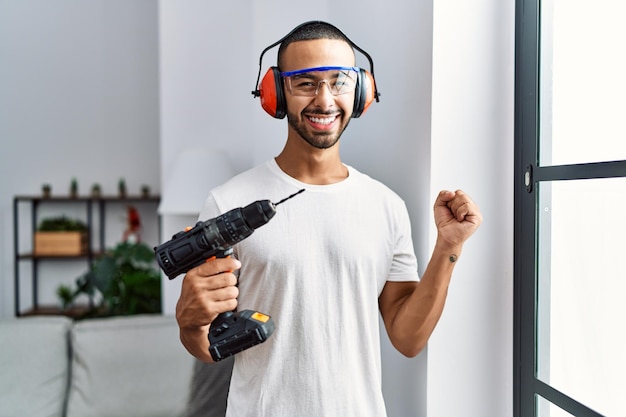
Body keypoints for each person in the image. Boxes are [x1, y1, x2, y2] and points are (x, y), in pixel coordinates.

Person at [176, 20, 482, 417]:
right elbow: (209, 347)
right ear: (276, 93)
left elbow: (408, 338)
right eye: (305, 83)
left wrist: (449, 247)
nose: (324, 100)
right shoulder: (228, 203)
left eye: (339, 81)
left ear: (361, 91)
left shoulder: (386, 205)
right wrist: (190, 324)